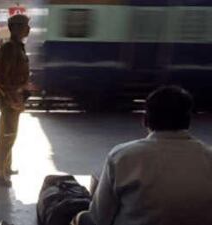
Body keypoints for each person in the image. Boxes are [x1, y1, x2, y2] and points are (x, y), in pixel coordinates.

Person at [72, 86, 212, 225]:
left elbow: (99, 218)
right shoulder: (208, 155)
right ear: (188, 121)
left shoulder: (122, 156)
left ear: (145, 120)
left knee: (77, 214)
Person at [0, 14, 31, 187]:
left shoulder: (18, 47)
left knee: (10, 135)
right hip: (10, 99)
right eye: (25, 25)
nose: (29, 29)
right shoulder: (10, 48)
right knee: (6, 136)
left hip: (16, 98)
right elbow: (1, 76)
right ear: (15, 28)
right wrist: (11, 96)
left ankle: (6, 167)